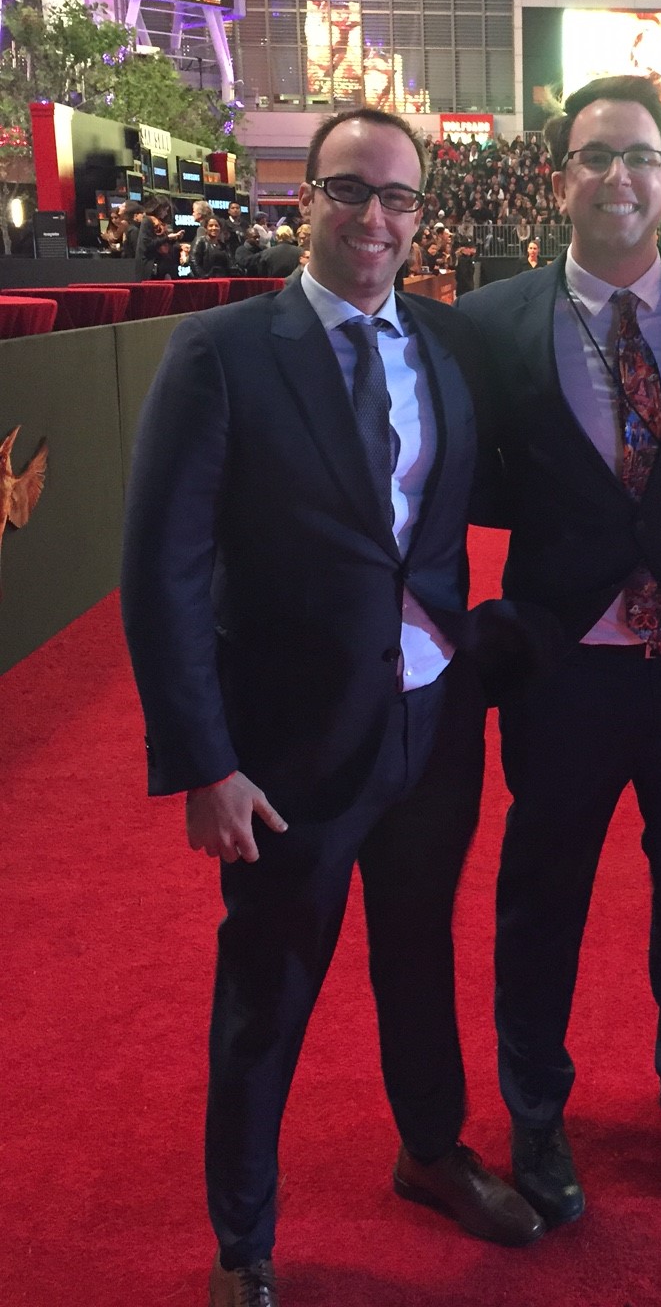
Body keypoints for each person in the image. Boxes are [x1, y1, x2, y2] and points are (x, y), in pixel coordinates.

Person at [121, 107, 545, 1307]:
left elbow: (472, 515)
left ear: (422, 214)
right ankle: (245, 1243)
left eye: (398, 198)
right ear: (301, 200)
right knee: (269, 991)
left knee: (420, 954)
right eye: (348, 191)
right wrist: (204, 763)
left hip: (430, 726)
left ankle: (431, 1151)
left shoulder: (453, 346)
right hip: (284, 749)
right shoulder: (223, 353)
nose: (374, 218)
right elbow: (163, 571)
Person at [456, 75, 661, 1230]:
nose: (619, 178)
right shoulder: (489, 321)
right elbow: (458, 485)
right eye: (595, 156)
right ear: (560, 178)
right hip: (563, 667)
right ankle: (535, 1110)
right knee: (542, 898)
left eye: (640, 156)